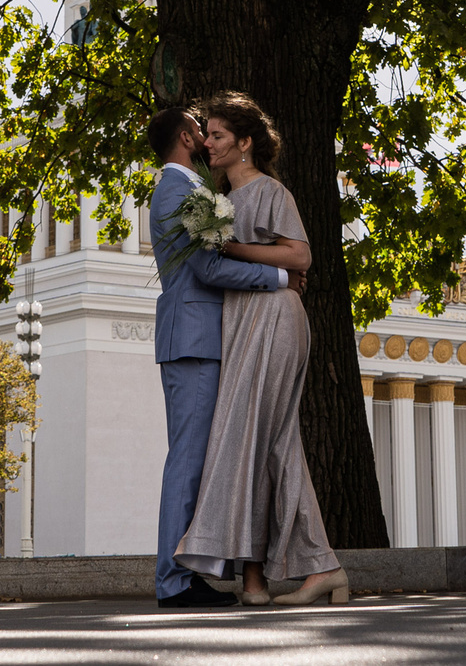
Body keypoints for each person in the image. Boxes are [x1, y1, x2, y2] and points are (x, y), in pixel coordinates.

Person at [173, 93, 350, 608]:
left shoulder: (270, 191)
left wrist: (227, 245)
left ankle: (321, 567)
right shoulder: (214, 201)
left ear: (245, 143)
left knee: (267, 439)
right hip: (242, 321)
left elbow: (300, 255)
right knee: (256, 442)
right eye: (206, 134)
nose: (208, 142)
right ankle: (256, 579)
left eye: (218, 135)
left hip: (275, 318)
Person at [147, 99, 294, 609]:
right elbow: (208, 270)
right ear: (187, 139)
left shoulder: (184, 189)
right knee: (187, 462)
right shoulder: (180, 190)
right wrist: (278, 277)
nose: (208, 140)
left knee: (196, 460)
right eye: (200, 132)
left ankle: (188, 570)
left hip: (196, 337)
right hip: (194, 340)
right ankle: (174, 581)